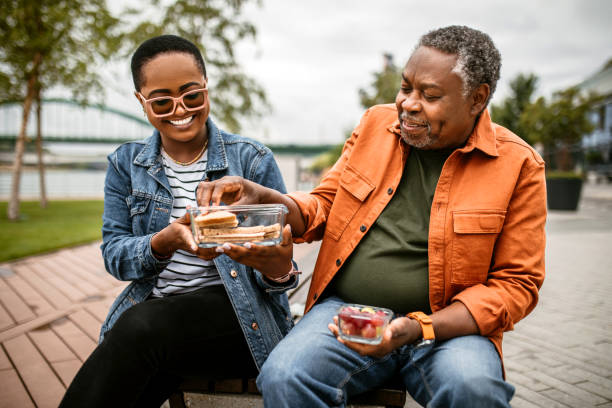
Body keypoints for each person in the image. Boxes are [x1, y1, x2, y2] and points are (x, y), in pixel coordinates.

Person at [196, 25, 547, 407]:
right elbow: (323, 207)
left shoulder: (519, 165)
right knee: (285, 376)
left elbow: (516, 285)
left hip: (449, 331)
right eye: (406, 87)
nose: (409, 103)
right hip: (347, 314)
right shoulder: (374, 127)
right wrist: (270, 200)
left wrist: (418, 328)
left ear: (477, 99)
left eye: (429, 95)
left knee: (474, 391)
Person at [59, 34, 298, 408]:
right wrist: (164, 241)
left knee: (141, 331)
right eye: (161, 100)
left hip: (240, 322)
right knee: (142, 365)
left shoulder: (252, 160)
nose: (179, 109)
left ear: (207, 89)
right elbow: (115, 256)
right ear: (142, 102)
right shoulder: (125, 165)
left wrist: (275, 266)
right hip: (161, 319)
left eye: (191, 95)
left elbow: (280, 275)